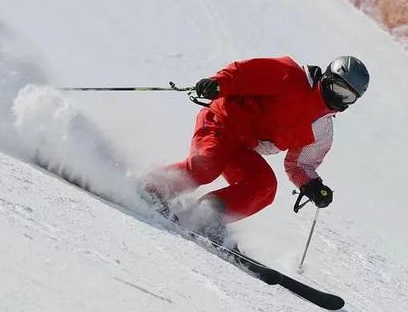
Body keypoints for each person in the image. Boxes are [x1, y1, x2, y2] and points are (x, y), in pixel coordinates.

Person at [143, 55, 370, 243]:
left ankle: (206, 216)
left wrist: (312, 185)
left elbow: (299, 164)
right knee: (207, 166)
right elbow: (242, 73)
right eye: (338, 89)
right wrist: (218, 83)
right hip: (220, 123)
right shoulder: (290, 76)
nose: (339, 98)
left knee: (264, 187)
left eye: (348, 96)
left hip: (243, 146)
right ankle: (153, 188)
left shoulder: (321, 129)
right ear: (328, 78)